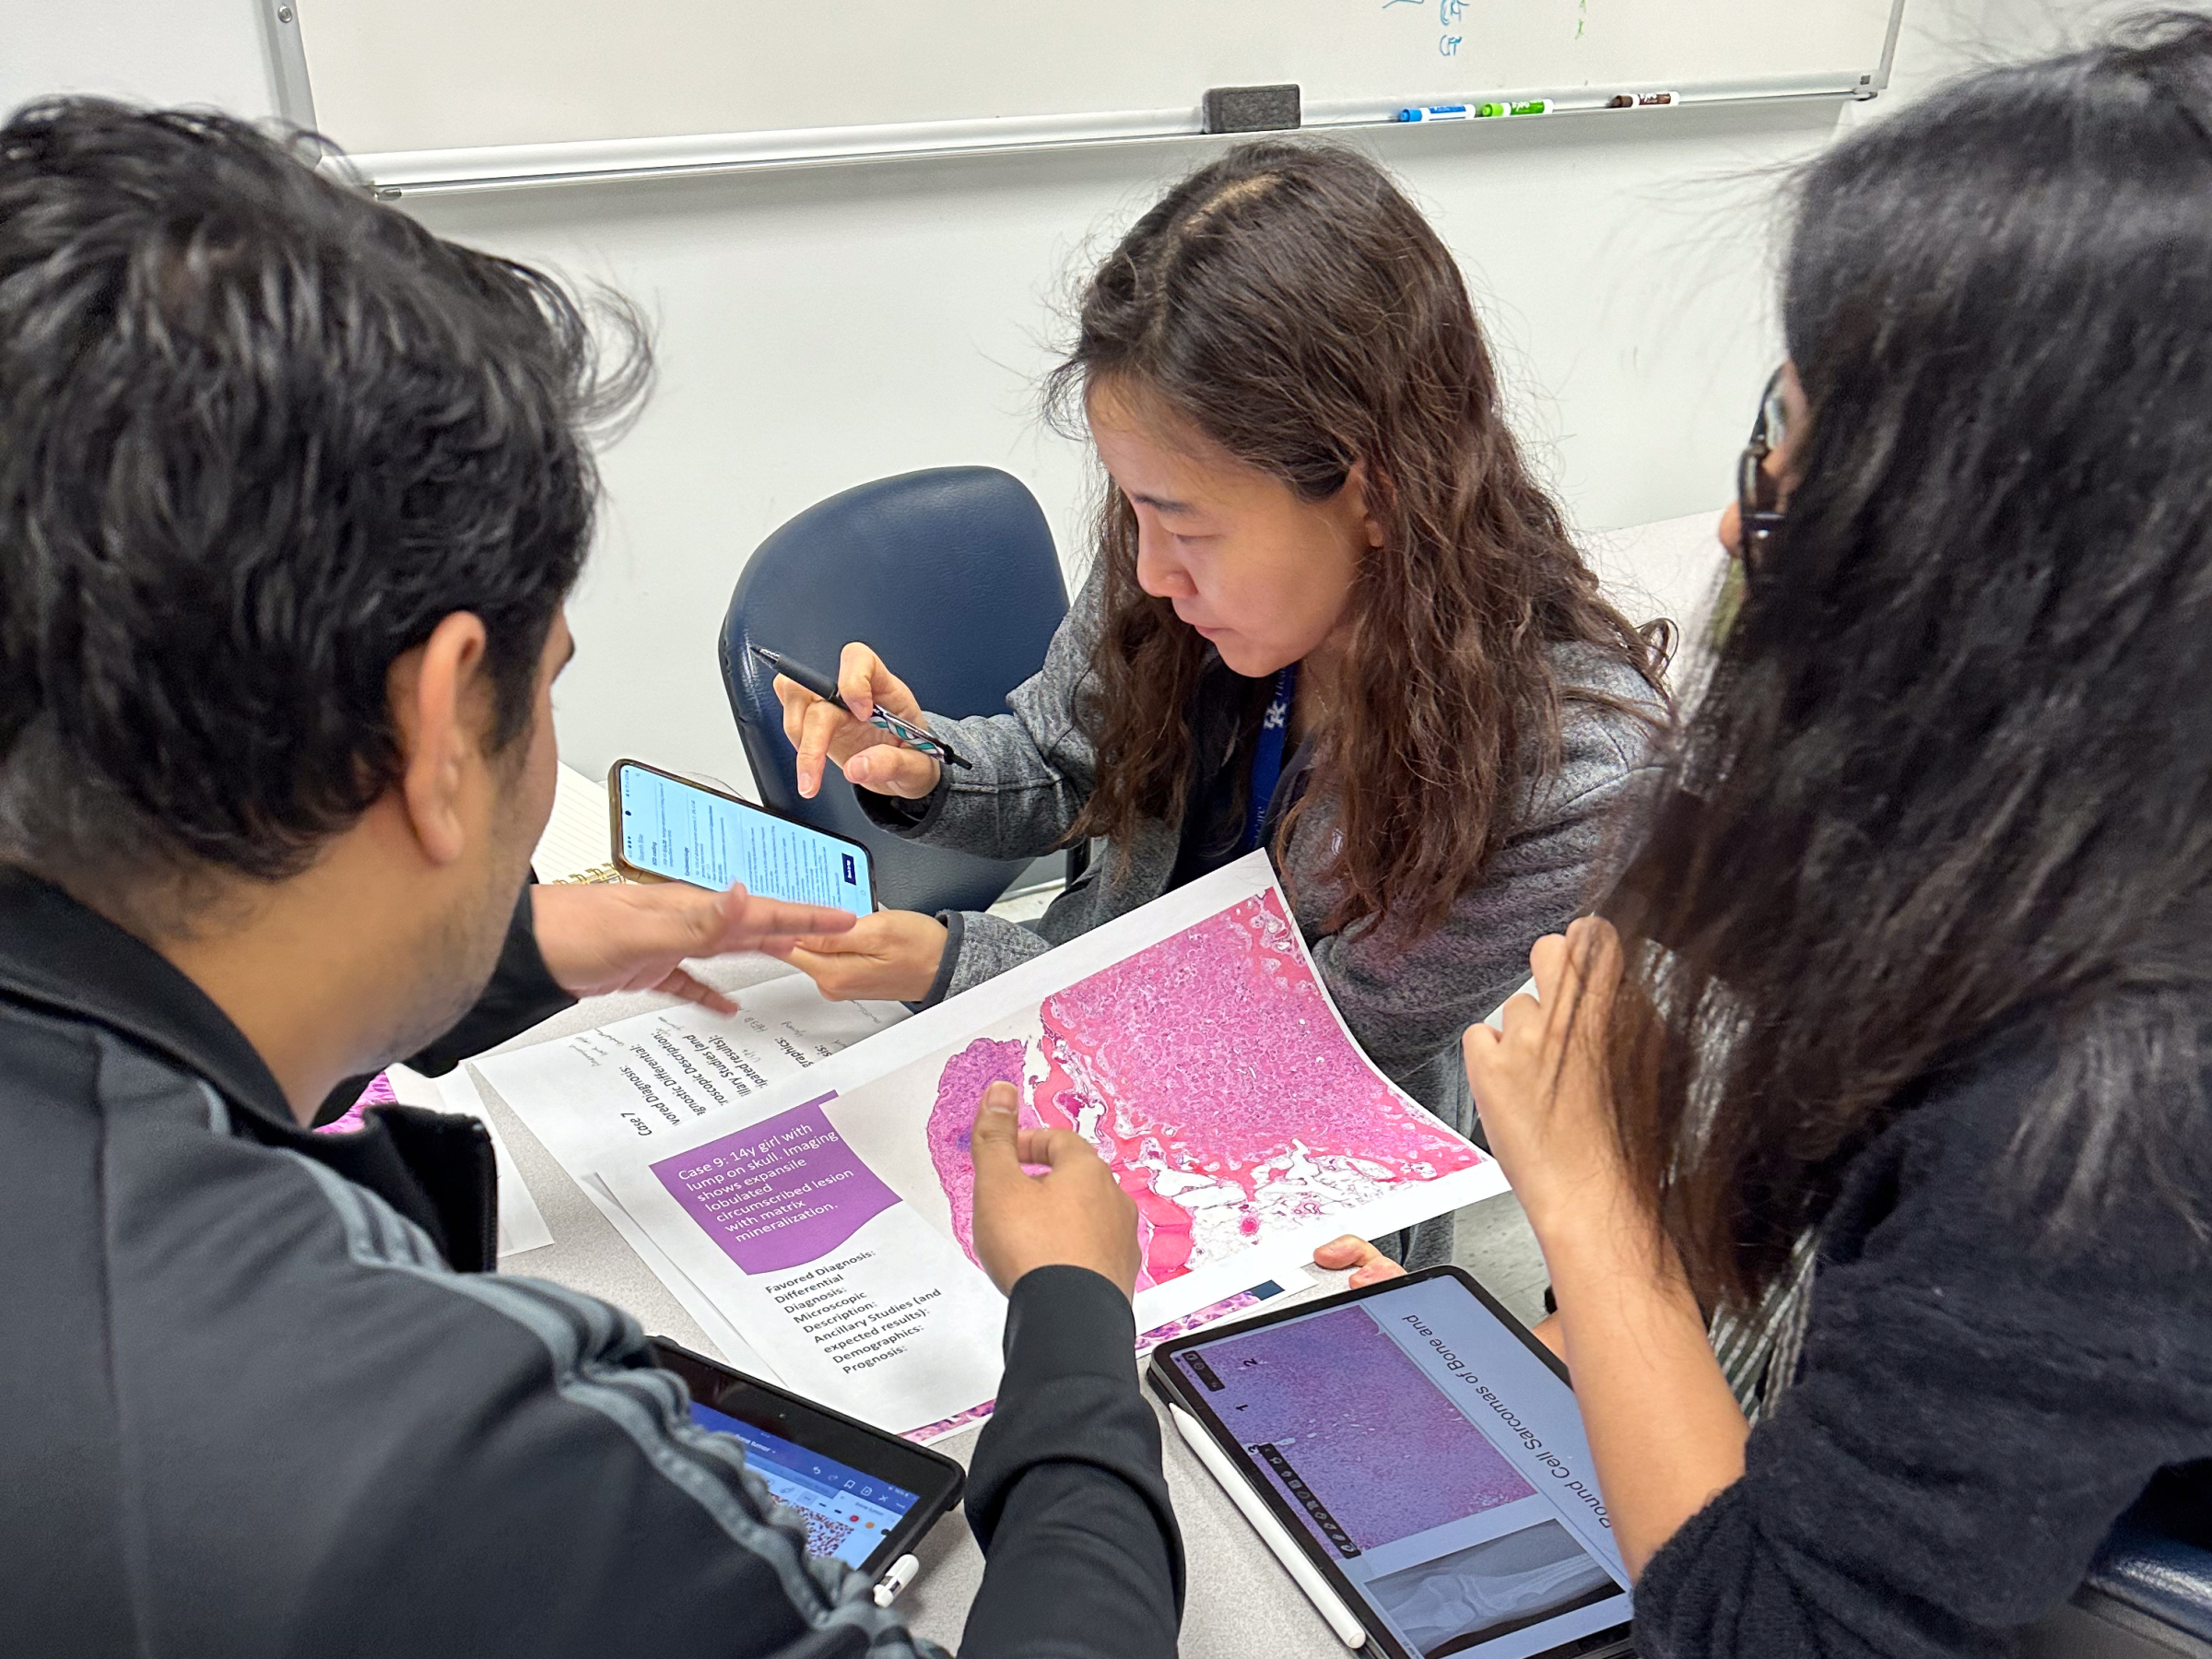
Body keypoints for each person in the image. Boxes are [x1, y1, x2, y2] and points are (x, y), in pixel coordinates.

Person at [0, 101, 1179, 1658]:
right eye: (547, 683)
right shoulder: (459, 1459)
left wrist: (526, 946)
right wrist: (1081, 1329)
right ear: (437, 729)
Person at [1321, 18, 2212, 1652]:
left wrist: (1594, 1212)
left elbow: (1765, 1627)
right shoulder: (2045, 791)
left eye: (1803, 451)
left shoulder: (2110, 1118)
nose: (1740, 514)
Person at [771, 142, 1669, 1265]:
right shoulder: (1178, 575)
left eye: (1187, 527)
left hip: (1302, 1197)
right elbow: (1062, 764)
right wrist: (925, 766)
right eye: (1136, 511)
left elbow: (1297, 1045)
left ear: (1375, 490)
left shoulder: (1563, 769)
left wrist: (960, 968)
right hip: (1059, 1069)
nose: (1148, 570)